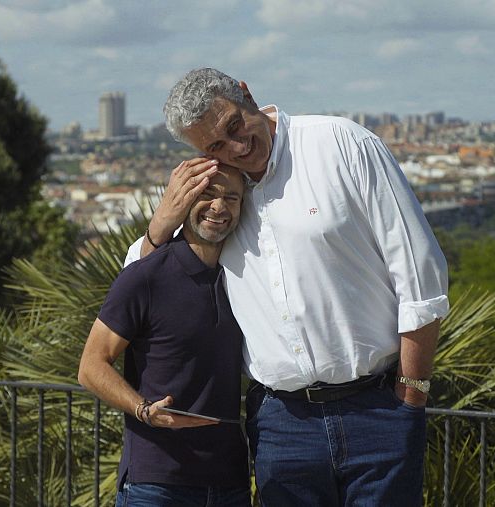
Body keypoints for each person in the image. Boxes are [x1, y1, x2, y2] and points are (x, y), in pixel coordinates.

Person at [127, 68, 449, 506]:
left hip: (377, 409)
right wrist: (162, 223)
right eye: (215, 146)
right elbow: (140, 286)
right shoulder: (221, 196)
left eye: (234, 126)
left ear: (246, 94)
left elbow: (420, 272)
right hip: (281, 426)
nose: (236, 148)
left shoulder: (341, 144)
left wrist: (410, 396)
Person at [78, 164, 250, 507]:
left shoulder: (245, 279)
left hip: (230, 483)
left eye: (231, 198)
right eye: (207, 194)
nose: (219, 206)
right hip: (156, 484)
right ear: (184, 200)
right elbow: (90, 366)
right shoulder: (145, 276)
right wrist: (144, 410)